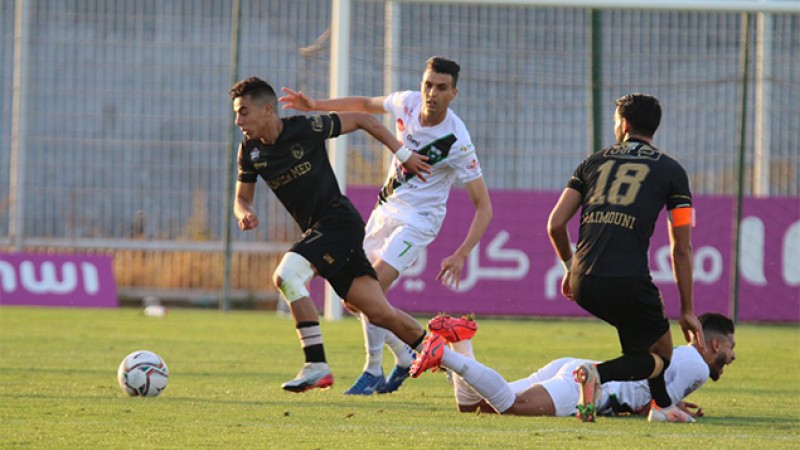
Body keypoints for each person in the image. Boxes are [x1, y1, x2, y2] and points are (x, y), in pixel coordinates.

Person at [280, 56, 493, 395]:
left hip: (418, 222)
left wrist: (461, 253)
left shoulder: (457, 140)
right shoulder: (406, 103)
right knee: (355, 299)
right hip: (385, 210)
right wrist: (315, 104)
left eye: (441, 88)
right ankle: (405, 355)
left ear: (454, 93)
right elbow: (365, 104)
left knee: (373, 289)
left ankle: (373, 369)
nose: (431, 93)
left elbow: (484, 207)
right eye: (428, 85)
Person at [230, 76, 431, 393]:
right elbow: (241, 199)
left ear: (268, 110)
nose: (238, 120)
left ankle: (316, 365)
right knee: (378, 312)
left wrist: (403, 154)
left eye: (243, 112)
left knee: (287, 276)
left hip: (338, 221)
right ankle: (453, 361)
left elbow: (365, 119)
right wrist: (245, 213)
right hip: (325, 230)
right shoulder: (250, 151)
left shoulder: (305, 128)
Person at [545, 93, 704, 422]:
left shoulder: (592, 162)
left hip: (583, 279)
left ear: (625, 124)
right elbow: (681, 247)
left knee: (640, 342)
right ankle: (595, 375)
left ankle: (660, 406)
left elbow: (555, 224)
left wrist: (569, 267)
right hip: (627, 279)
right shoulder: (673, 171)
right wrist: (687, 309)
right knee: (662, 353)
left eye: (616, 120)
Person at [411, 312, 735, 422]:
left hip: (577, 369)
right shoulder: (700, 368)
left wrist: (671, 402)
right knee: (507, 407)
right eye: (732, 347)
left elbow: (654, 392)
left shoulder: (683, 355)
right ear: (716, 345)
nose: (733, 357)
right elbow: (654, 410)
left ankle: (460, 342)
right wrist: (674, 410)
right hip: (588, 388)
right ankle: (446, 355)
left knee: (473, 408)